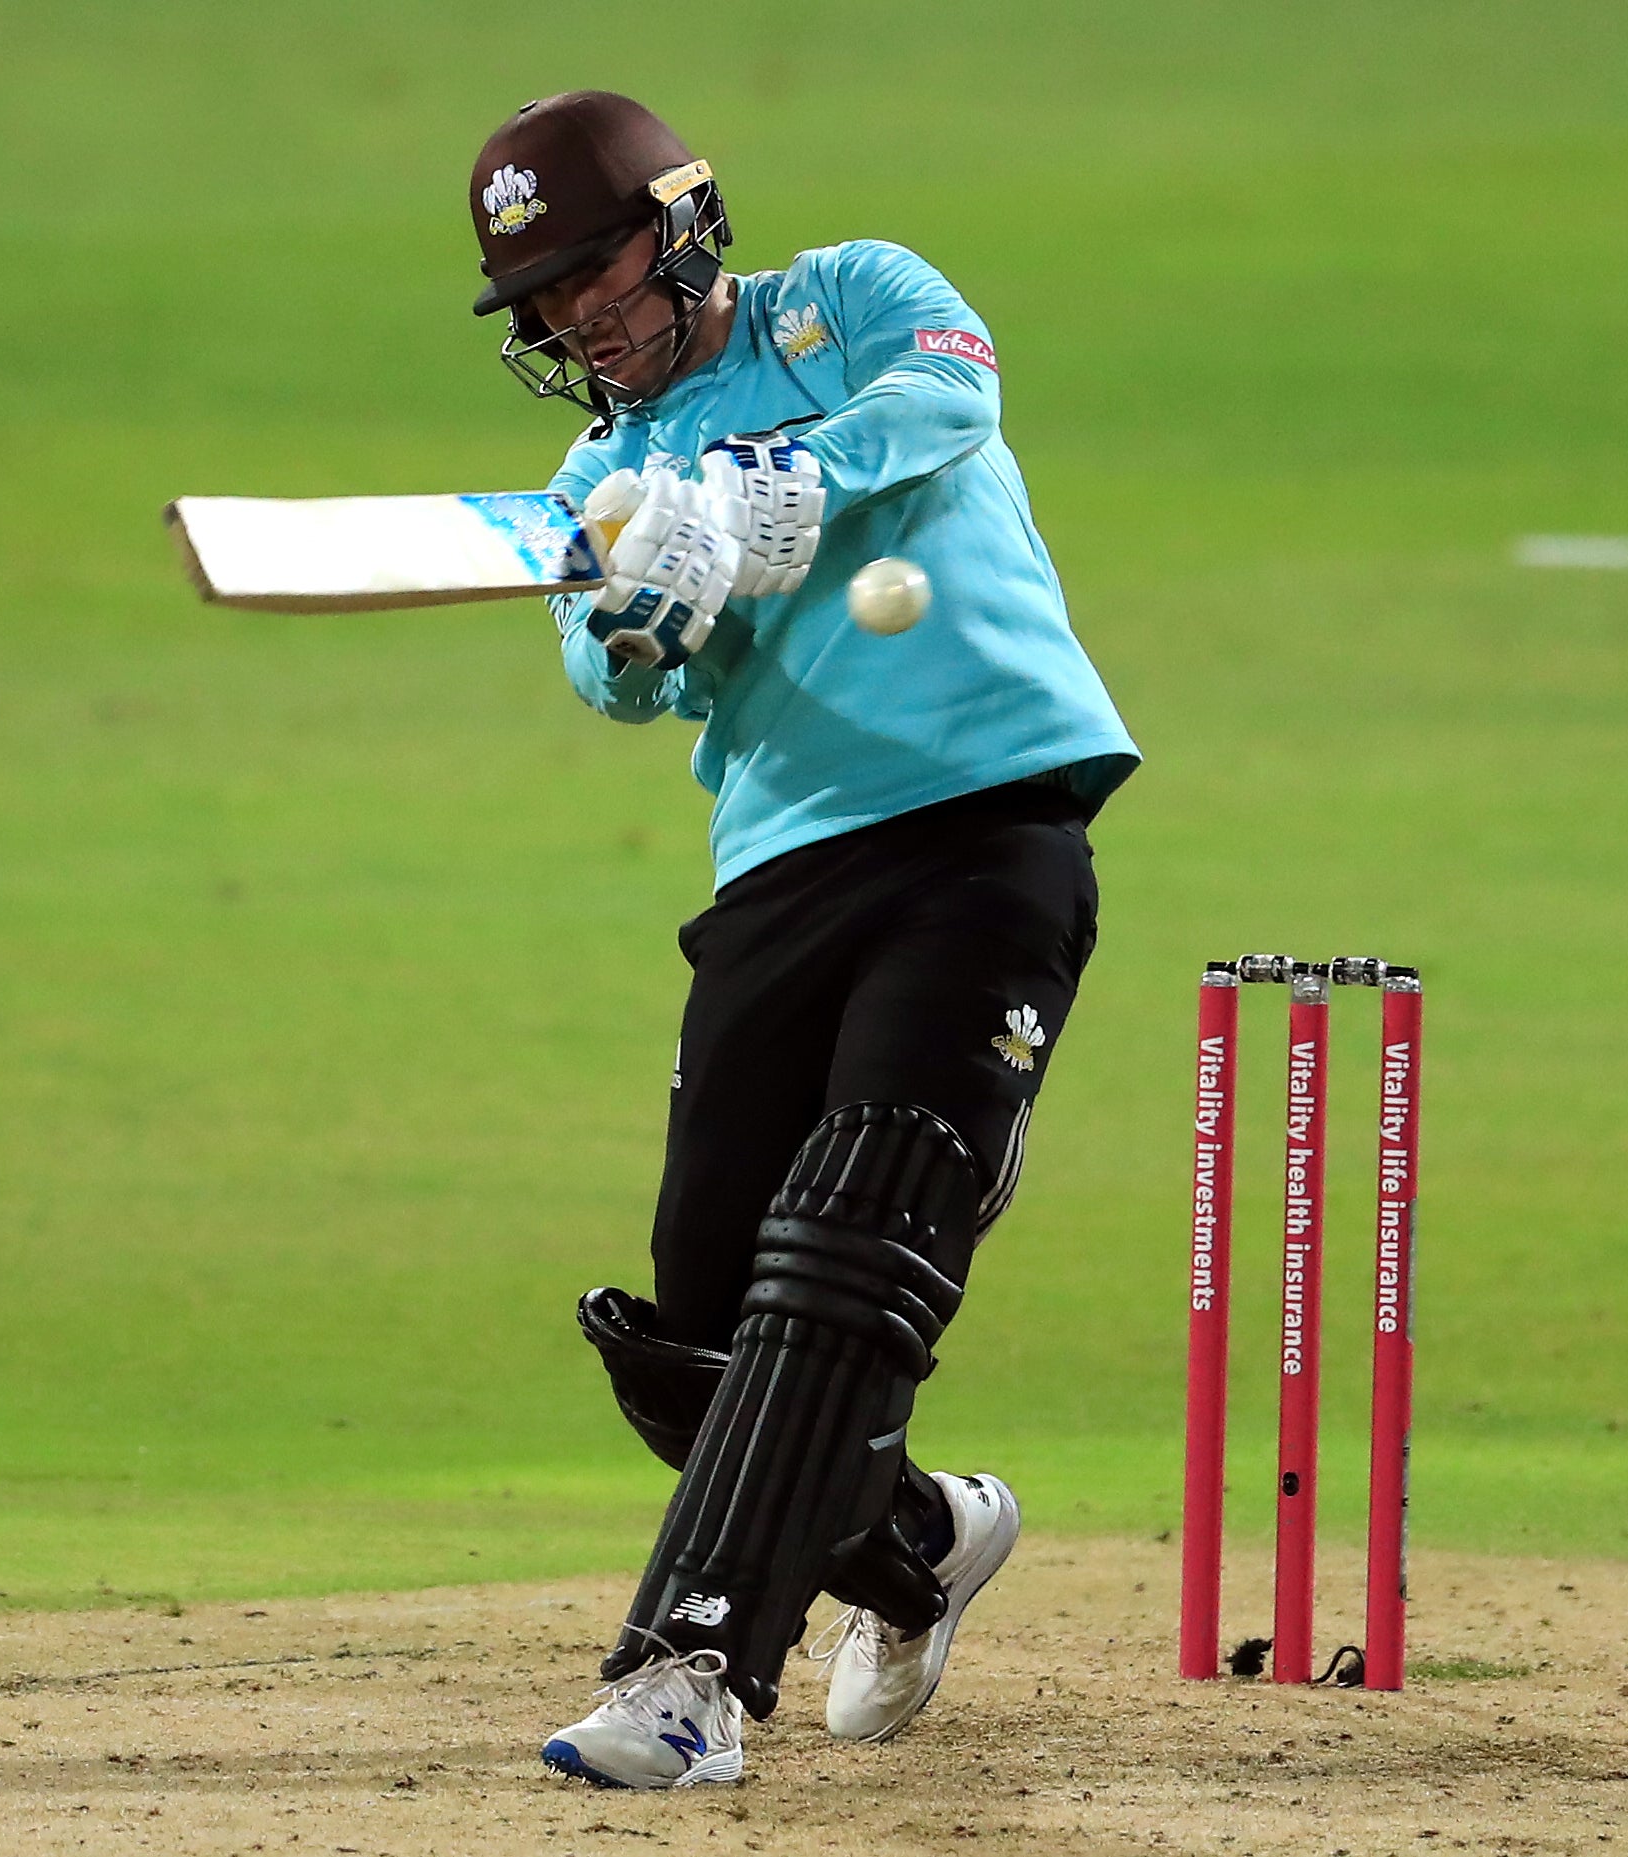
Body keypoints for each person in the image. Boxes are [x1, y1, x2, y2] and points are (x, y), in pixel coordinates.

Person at [465, 90, 1140, 1789]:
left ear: (685, 228)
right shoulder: (601, 476)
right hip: (782, 878)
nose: (582, 326)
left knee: (852, 1237)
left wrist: (781, 475)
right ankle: (916, 1539)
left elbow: (951, 392)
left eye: (600, 277)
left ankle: (689, 1672)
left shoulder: (842, 300)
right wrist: (649, 612)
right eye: (547, 305)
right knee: (696, 1339)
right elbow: (602, 675)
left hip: (991, 831)